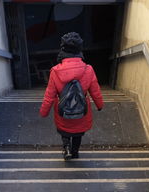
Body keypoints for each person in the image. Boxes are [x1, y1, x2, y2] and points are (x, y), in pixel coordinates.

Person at [39, 32, 104, 160]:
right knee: (78, 133)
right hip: (81, 109)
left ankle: (66, 147)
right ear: (79, 49)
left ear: (62, 49)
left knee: (65, 130)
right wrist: (99, 105)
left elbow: (49, 95)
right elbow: (95, 91)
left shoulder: (55, 71)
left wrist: (44, 111)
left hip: (63, 109)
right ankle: (75, 152)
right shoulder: (88, 69)